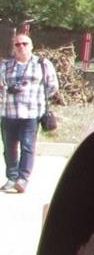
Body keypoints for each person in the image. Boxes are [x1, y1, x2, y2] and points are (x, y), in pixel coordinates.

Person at [2, 31, 58, 194]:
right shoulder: (6, 65)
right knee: (9, 147)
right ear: (13, 48)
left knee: (28, 146)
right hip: (9, 113)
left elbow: (52, 86)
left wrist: (35, 95)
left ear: (31, 46)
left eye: (24, 44)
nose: (21, 47)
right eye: (17, 44)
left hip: (31, 113)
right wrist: (7, 89)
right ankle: (11, 178)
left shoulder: (42, 64)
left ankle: (22, 179)